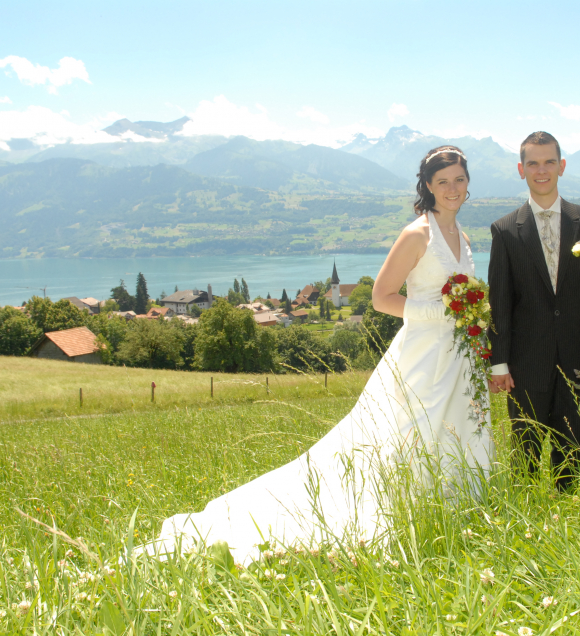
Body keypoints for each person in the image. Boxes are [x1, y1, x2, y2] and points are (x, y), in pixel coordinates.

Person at [141, 146, 493, 565]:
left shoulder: (463, 237)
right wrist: (437, 312)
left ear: (468, 182)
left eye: (459, 179)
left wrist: (471, 323)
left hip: (458, 354)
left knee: (457, 425)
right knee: (412, 431)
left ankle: (455, 508)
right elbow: (381, 297)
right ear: (428, 186)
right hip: (422, 353)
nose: (452, 188)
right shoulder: (417, 235)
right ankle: (407, 507)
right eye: (443, 181)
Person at [487, 131, 580, 491]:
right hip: (525, 362)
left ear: (562, 166)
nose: (541, 170)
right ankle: (527, 514)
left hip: (577, 356)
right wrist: (499, 362)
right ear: (521, 170)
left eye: (548, 162)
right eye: (533, 163)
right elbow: (500, 303)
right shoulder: (504, 230)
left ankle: (568, 511)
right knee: (525, 452)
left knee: (571, 449)